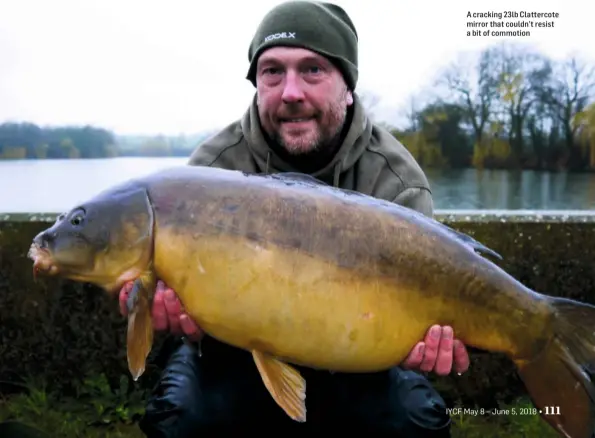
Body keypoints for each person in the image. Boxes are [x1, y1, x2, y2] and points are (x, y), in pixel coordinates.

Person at [119, 1, 470, 436]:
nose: (291, 92)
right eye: (272, 72)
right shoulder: (212, 169)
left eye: (312, 70)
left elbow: (427, 311)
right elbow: (183, 304)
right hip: (234, 351)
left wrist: (425, 345)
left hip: (357, 359)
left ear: (348, 84)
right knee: (178, 420)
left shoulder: (395, 180)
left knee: (417, 424)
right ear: (256, 84)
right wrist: (177, 318)